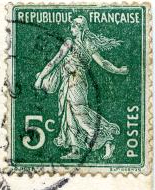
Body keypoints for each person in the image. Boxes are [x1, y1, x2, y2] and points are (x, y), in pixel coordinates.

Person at [33, 16, 128, 160]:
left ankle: (106, 140)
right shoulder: (77, 43)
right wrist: (118, 70)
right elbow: (55, 62)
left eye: (73, 26)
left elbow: (102, 62)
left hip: (77, 80)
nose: (71, 29)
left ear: (79, 28)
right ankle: (75, 150)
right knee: (68, 114)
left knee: (79, 112)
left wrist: (118, 70)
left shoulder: (78, 43)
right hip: (69, 80)